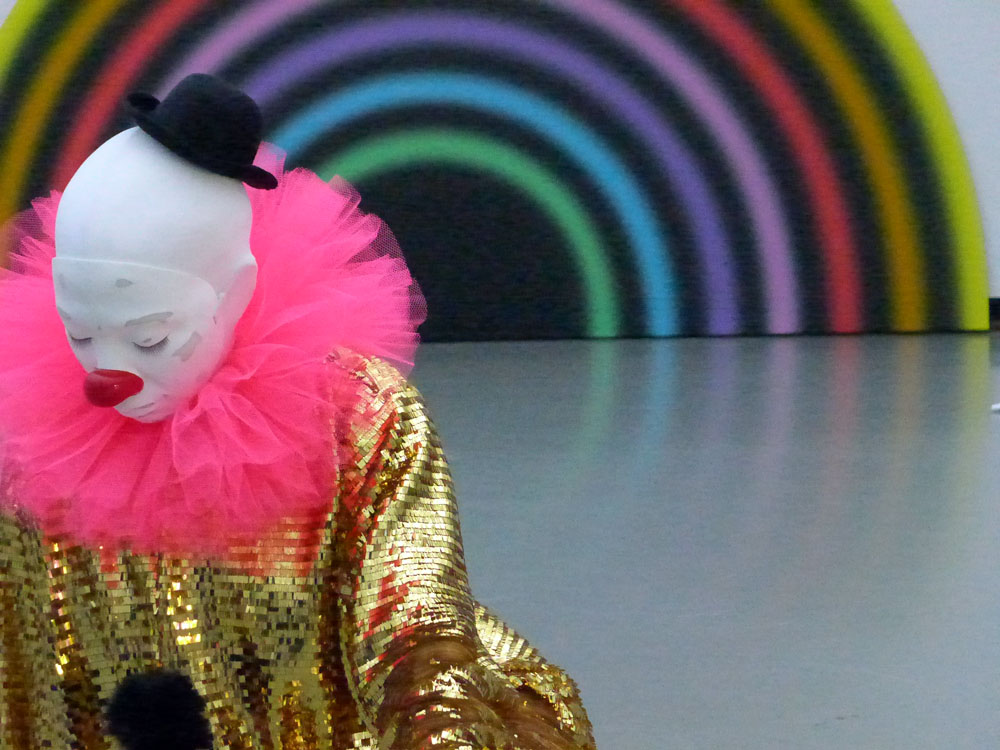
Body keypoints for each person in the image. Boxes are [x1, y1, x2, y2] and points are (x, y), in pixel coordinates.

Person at [0, 74, 594, 750]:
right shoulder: (29, 435)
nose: (105, 375)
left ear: (235, 290)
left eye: (150, 338)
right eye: (79, 331)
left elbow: (415, 630)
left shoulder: (357, 421)